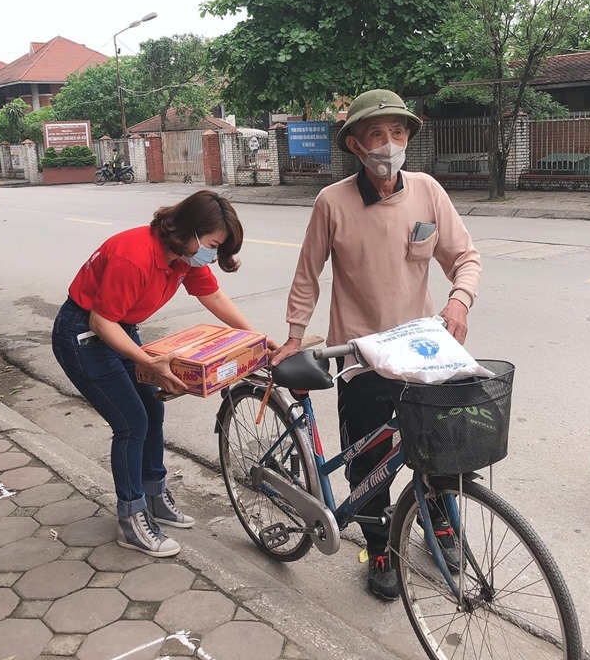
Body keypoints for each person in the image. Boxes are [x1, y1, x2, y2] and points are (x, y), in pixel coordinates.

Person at [270, 89, 483, 599]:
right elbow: (308, 273)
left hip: (420, 354)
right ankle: (379, 542)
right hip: (359, 357)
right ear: (356, 146)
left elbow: (464, 257)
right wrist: (295, 334)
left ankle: (439, 518)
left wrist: (459, 302)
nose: (389, 144)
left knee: (436, 447)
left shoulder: (428, 190)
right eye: (376, 135)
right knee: (369, 464)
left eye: (398, 133)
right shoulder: (332, 202)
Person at [52, 190, 275, 557]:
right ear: (189, 230)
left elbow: (214, 298)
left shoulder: (184, 255)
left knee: (153, 410)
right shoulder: (135, 257)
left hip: (121, 329)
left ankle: (153, 496)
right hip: (83, 335)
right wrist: (147, 361)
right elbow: (101, 321)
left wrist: (255, 339)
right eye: (212, 244)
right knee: (131, 423)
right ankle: (131, 519)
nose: (212, 254)